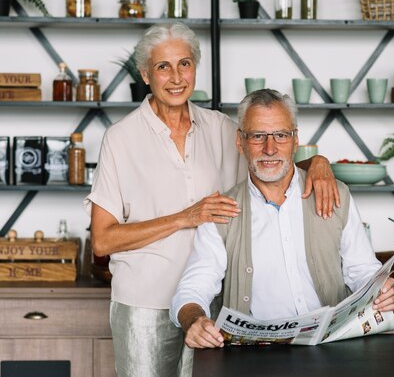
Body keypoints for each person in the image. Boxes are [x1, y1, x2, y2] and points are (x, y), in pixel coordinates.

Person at [84, 24, 339, 377]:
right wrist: (185, 217)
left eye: (184, 64)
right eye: (163, 67)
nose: (176, 77)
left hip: (213, 306)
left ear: (195, 69)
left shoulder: (221, 127)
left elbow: (271, 160)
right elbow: (103, 239)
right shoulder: (121, 138)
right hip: (145, 305)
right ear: (145, 74)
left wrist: (318, 164)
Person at [170, 89, 394, 349]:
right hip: (256, 357)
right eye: (258, 136)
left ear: (295, 139)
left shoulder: (336, 195)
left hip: (331, 350)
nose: (270, 149)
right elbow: (193, 287)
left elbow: (361, 271)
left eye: (280, 135)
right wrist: (194, 320)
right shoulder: (221, 213)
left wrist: (380, 291)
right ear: (240, 141)